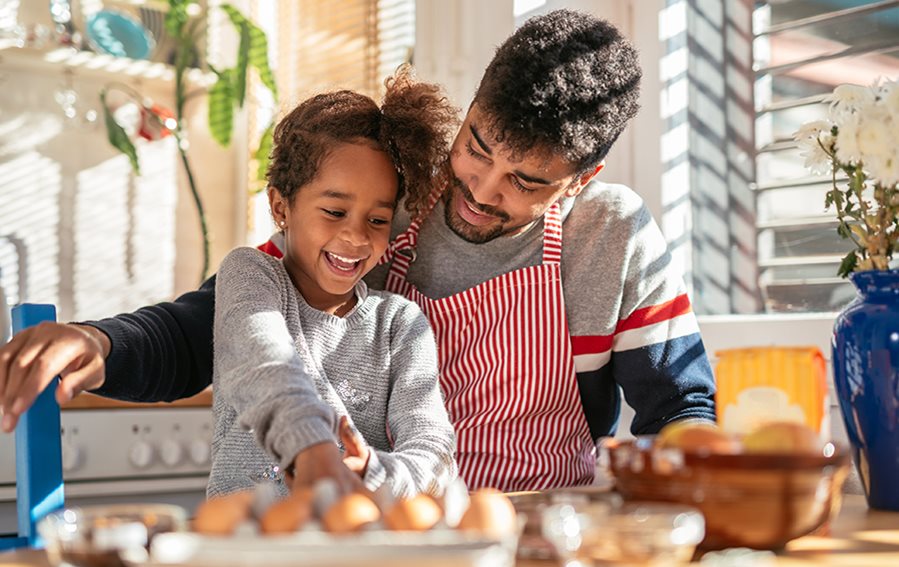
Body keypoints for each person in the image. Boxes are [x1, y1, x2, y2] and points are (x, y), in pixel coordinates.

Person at [0, 10, 716, 492]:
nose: (479, 189)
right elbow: (226, 323)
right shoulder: (385, 204)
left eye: (525, 181)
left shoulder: (610, 234)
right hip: (388, 538)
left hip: (539, 535)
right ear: (469, 111)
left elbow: (680, 404)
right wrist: (102, 341)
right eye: (476, 146)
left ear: (580, 179)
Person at [206, 69, 458, 498]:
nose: (357, 237)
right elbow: (265, 364)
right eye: (335, 212)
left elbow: (433, 449)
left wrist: (374, 473)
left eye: (377, 220)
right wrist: (313, 449)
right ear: (281, 206)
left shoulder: (398, 323)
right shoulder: (250, 276)